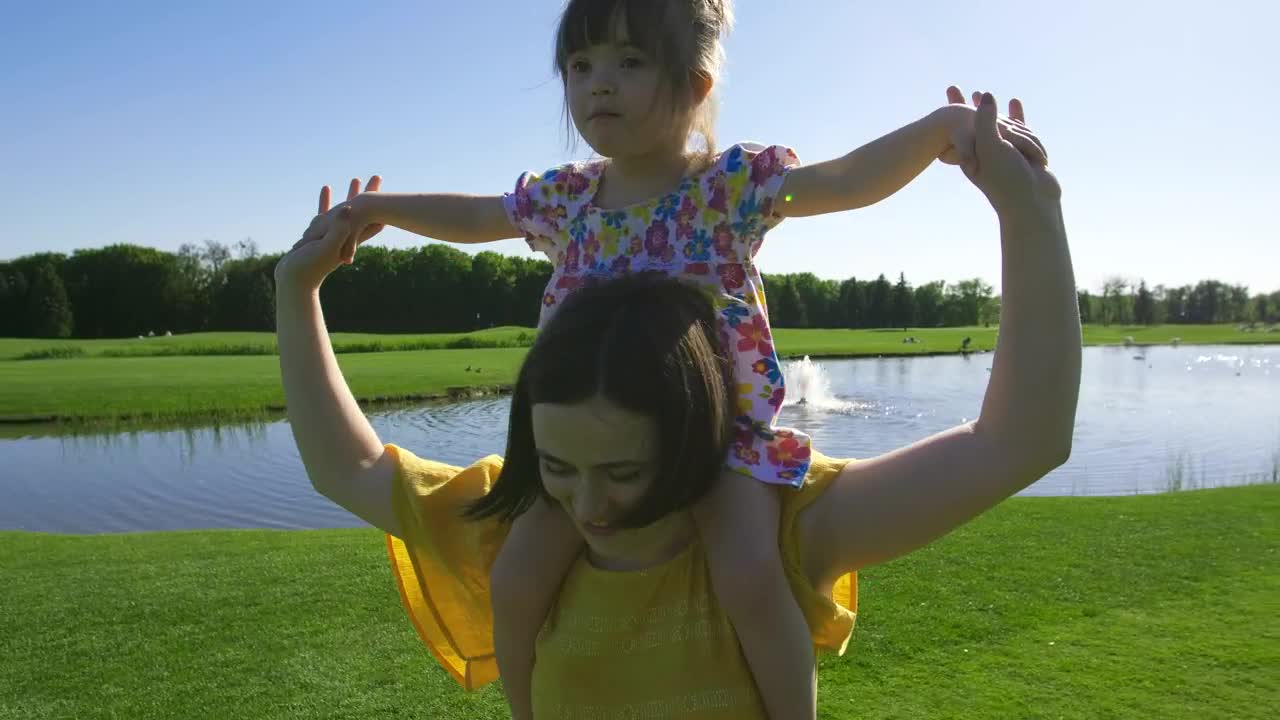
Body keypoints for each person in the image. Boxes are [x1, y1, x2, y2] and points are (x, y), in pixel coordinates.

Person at [293, 1, 1049, 715]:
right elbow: (479, 216)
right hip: (587, 441)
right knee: (519, 578)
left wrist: (940, 130)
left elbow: (847, 179)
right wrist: (384, 210)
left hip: (717, 445)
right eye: (582, 65)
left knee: (752, 575)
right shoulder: (565, 201)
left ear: (694, 86)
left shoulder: (728, 187)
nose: (599, 84)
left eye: (628, 61)